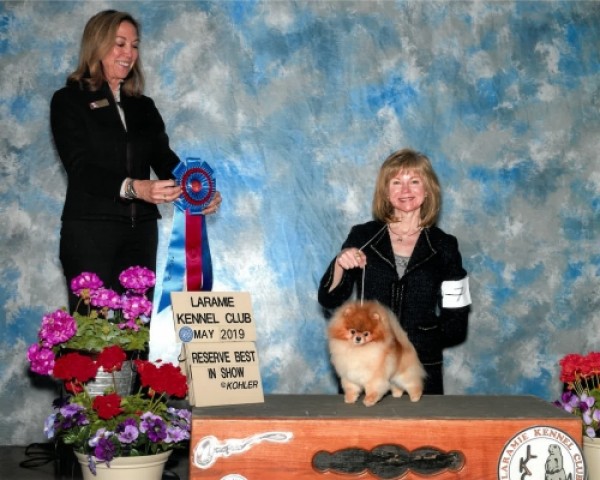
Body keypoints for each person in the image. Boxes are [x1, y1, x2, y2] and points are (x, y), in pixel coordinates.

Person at [51, 10, 222, 313]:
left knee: (136, 336)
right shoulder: (68, 100)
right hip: (90, 232)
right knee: (91, 336)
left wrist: (200, 191)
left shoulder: (144, 106)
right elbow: (81, 170)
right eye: (119, 44)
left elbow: (165, 160)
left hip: (141, 233)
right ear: (97, 45)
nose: (128, 53)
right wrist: (135, 189)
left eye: (134, 45)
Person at [318, 148, 471, 395]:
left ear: (428, 189)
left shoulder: (445, 245)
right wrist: (339, 263)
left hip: (420, 368)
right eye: (396, 182)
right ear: (386, 192)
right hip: (365, 367)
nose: (405, 190)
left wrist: (423, 340)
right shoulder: (363, 236)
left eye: (414, 181)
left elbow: (457, 320)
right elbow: (329, 299)